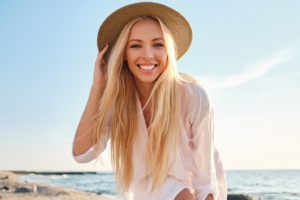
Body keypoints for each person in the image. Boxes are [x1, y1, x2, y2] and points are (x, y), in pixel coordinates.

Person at [72, 2, 227, 200]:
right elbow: (83, 154)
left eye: (158, 44)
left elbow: (205, 179)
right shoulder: (118, 101)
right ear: (124, 54)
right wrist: (98, 87)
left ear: (168, 51)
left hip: (192, 191)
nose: (147, 55)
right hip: (148, 192)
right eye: (135, 45)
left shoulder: (194, 96)